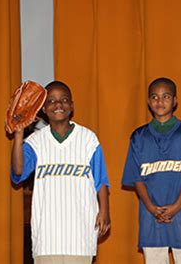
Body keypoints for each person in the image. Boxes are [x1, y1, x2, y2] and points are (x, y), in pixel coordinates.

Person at [10, 81, 110, 264]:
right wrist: (18, 134)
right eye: (51, 101)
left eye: (64, 100)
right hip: (47, 237)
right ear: (43, 109)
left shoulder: (88, 138)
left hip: (80, 233)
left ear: (72, 106)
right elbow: (18, 172)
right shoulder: (35, 141)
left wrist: (104, 211)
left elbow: (100, 179)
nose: (58, 105)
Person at [122, 77, 181, 264]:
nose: (159, 101)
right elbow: (136, 178)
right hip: (150, 213)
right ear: (148, 101)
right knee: (154, 259)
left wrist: (176, 206)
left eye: (165, 96)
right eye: (154, 97)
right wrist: (152, 208)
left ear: (175, 101)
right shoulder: (139, 137)